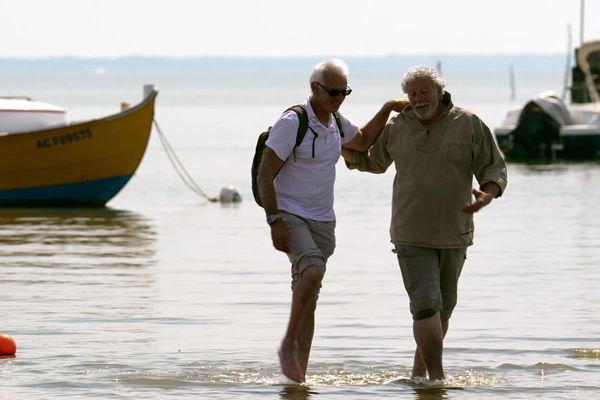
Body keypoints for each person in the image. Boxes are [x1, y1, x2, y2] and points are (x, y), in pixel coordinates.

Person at [343, 65, 507, 382]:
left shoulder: (468, 123)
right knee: (426, 306)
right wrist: (342, 148)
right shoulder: (397, 125)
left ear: (439, 92)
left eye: (423, 92)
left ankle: (419, 375)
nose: (418, 99)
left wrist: (486, 196)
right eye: (412, 94)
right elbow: (370, 161)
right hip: (410, 233)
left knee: (443, 309)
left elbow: (493, 168)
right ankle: (437, 380)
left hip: (455, 232)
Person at [257, 59, 406, 383]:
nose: (339, 98)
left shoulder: (335, 123)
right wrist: (275, 221)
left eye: (344, 93)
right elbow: (265, 174)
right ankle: (287, 345)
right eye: (334, 92)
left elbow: (364, 140)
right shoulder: (292, 122)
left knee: (309, 294)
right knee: (313, 269)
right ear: (315, 88)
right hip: (291, 214)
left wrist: (388, 108)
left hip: (324, 221)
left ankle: (298, 379)